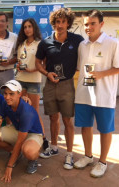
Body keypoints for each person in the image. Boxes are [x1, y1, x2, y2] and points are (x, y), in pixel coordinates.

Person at [73, 9, 119, 177]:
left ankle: (102, 161)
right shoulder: (82, 45)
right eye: (86, 24)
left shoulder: (112, 43)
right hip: (84, 93)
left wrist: (102, 74)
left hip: (104, 95)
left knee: (105, 129)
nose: (89, 27)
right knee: (85, 126)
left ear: (101, 24)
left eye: (92, 23)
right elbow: (79, 68)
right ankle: (88, 156)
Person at [35, 8, 84, 169]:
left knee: (67, 120)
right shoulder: (45, 42)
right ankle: (54, 147)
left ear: (68, 23)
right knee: (53, 118)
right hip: (50, 84)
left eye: (63, 22)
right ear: (53, 23)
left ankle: (69, 154)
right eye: (58, 22)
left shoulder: (77, 40)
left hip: (67, 84)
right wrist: (46, 73)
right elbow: (38, 63)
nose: (60, 25)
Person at [0, 80, 43, 182]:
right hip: (16, 129)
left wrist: (9, 166)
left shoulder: (26, 112)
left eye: (11, 94)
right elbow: (0, 117)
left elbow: (20, 141)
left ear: (19, 94)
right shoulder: (5, 102)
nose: (7, 97)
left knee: (28, 151)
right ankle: (14, 152)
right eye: (6, 93)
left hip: (32, 133)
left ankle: (33, 160)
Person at [15, 18, 48, 149]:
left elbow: (44, 63)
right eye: (25, 27)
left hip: (34, 80)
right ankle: (23, 135)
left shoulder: (40, 43)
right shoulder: (21, 44)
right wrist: (19, 66)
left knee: (34, 111)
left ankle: (43, 137)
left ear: (34, 28)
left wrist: (32, 70)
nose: (27, 29)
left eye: (29, 26)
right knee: (20, 109)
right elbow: (20, 60)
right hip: (20, 79)